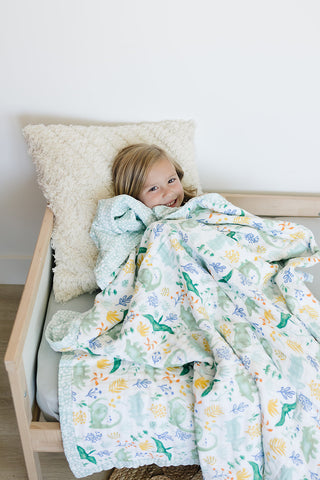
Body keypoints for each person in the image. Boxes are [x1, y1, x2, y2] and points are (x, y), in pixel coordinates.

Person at [111, 143, 197, 209]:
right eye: (153, 188)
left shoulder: (198, 205)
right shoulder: (132, 225)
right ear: (134, 198)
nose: (168, 193)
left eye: (171, 181)